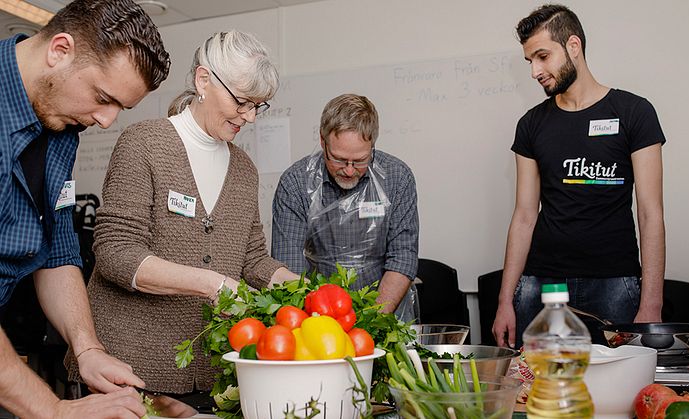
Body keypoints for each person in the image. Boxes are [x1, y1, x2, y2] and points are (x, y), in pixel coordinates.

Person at [65, 30, 298, 396]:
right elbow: (115, 252)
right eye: (242, 102)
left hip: (208, 367)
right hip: (128, 364)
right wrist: (211, 284)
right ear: (204, 80)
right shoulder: (143, 143)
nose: (250, 117)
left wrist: (302, 288)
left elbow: (252, 259)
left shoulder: (244, 169)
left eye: (258, 106)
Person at [0, 0, 170, 417]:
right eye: (102, 97)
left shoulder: (61, 128)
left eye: (121, 108)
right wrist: (57, 411)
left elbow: (56, 254)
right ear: (59, 50)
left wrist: (87, 347)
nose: (108, 121)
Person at [492, 4, 666, 348]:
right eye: (530, 61)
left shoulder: (635, 113)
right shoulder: (531, 124)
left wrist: (652, 303)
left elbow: (650, 213)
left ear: (573, 46)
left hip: (615, 283)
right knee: (539, 391)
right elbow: (525, 216)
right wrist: (504, 302)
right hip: (542, 285)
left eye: (542, 56)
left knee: (617, 392)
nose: (535, 71)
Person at [272, 94, 419, 321]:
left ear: (372, 145)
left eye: (360, 160)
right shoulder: (296, 183)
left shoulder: (397, 178)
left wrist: (372, 321)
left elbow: (403, 257)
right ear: (323, 142)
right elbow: (290, 269)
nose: (349, 170)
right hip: (317, 315)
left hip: (384, 312)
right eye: (339, 159)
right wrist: (327, 323)